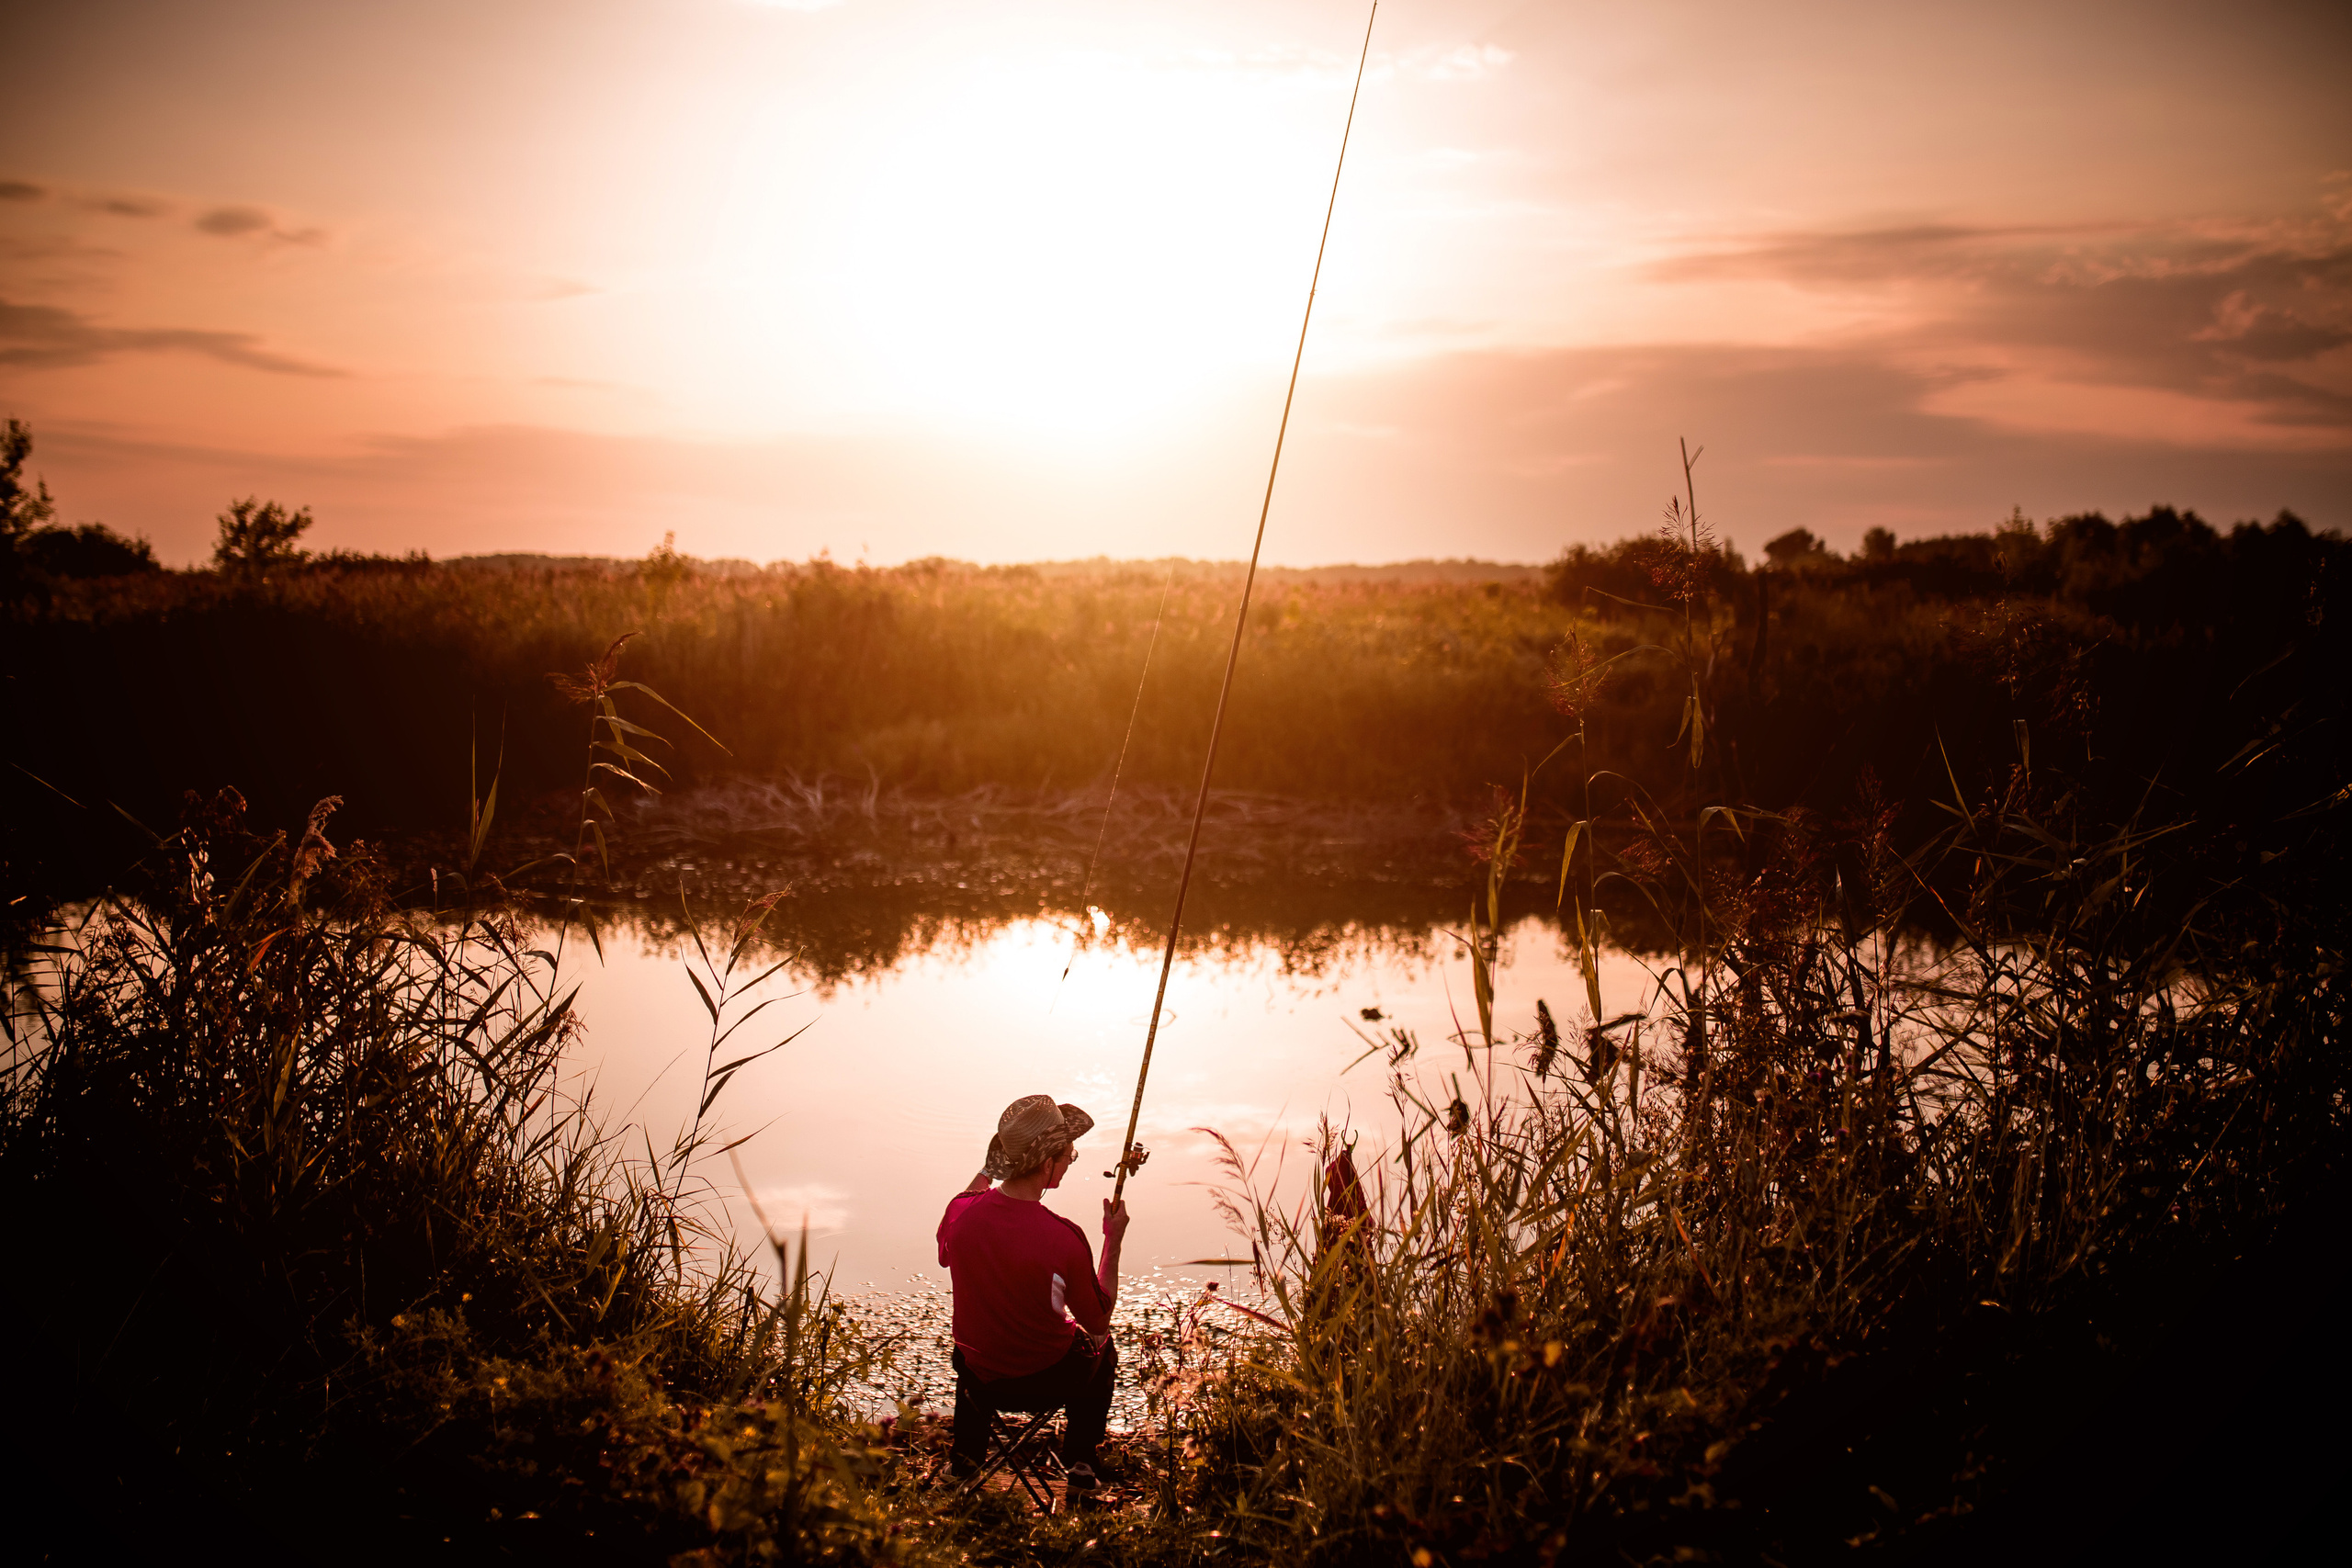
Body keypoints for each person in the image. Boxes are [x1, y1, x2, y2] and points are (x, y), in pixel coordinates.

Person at [937, 1094, 1129, 1494]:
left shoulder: (960, 1214)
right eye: (1069, 1156)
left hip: (978, 1378)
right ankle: (1082, 1466)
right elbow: (1098, 1319)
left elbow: (957, 1219)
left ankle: (964, 1464)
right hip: (1046, 1382)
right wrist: (1113, 1241)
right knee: (1102, 1345)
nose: (1070, 1162)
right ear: (1046, 1165)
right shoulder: (1064, 1237)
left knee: (972, 1348)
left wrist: (988, 1170)